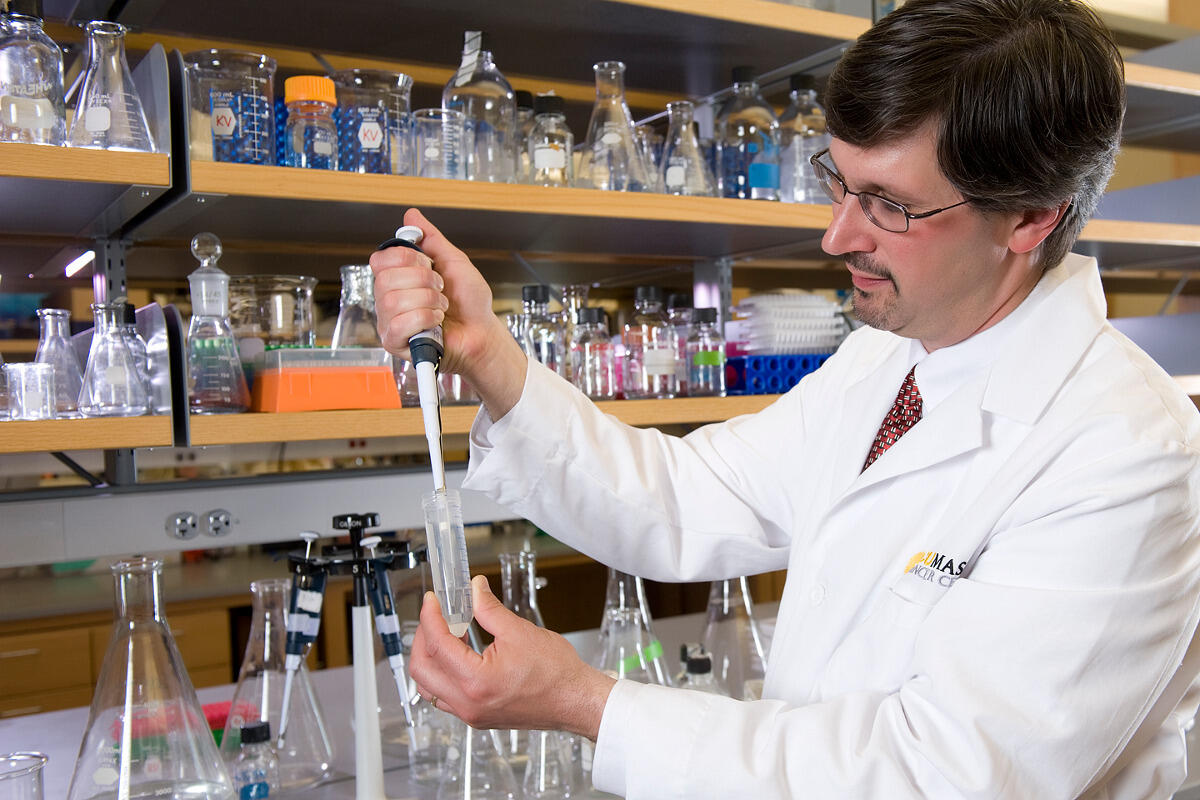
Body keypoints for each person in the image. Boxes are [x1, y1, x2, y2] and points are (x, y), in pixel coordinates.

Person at [371, 0, 1200, 796]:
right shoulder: (886, 362)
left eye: (889, 206)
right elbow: (688, 499)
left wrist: (589, 706)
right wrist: (490, 356)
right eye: (839, 183)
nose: (838, 235)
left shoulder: (1125, 452)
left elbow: (945, 775)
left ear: (1029, 218)